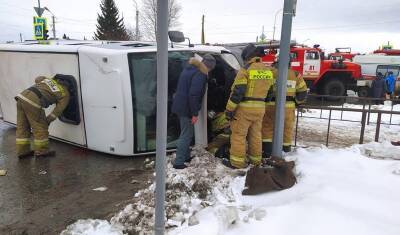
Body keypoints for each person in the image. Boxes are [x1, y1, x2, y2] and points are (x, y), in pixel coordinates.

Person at [223, 44, 274, 169]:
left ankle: (236, 163)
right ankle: (255, 161)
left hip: (244, 109)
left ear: (248, 56)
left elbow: (237, 92)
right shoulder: (268, 71)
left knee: (238, 136)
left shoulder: (246, 70)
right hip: (260, 109)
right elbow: (270, 92)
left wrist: (229, 110)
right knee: (256, 135)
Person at [171, 54, 216, 169]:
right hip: (186, 108)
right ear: (209, 67)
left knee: (187, 133)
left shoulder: (190, 69)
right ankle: (179, 162)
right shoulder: (200, 74)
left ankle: (185, 156)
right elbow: (194, 95)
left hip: (181, 105)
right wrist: (195, 113)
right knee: (186, 135)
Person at [15, 75, 70, 158]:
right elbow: (58, 110)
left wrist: (46, 80)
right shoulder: (65, 94)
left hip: (21, 97)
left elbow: (37, 79)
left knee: (22, 126)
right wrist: (47, 120)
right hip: (33, 100)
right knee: (40, 128)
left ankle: (23, 152)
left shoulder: (49, 80)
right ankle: (42, 151)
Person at [262, 62, 308, 157]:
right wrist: (296, 102)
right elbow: (303, 91)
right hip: (288, 107)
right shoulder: (295, 74)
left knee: (267, 128)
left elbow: (263, 88)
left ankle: (266, 152)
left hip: (271, 105)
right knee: (287, 130)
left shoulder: (270, 72)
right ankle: (285, 153)